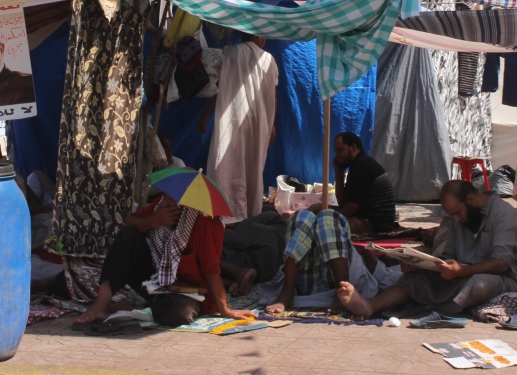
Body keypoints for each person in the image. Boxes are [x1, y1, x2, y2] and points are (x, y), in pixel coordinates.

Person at [337, 180, 517, 319]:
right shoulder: (457, 219)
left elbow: (502, 263)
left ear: (470, 199)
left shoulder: (503, 213)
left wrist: (463, 270)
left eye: (457, 213)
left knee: (479, 284)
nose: (456, 220)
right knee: (414, 278)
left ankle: (436, 305)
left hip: (501, 279)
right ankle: (370, 306)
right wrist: (420, 265)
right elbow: (448, 257)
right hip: (462, 275)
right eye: (452, 215)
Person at [72, 184, 251, 327]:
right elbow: (128, 224)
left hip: (192, 293)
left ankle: (141, 308)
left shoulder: (207, 223)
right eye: (166, 195)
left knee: (176, 314)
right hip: (156, 281)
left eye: (174, 198)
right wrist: (153, 221)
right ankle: (101, 305)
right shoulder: (160, 206)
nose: (167, 201)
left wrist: (225, 310)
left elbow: (211, 270)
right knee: (128, 236)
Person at [260, 209, 402, 314]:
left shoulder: (353, 248)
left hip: (338, 283)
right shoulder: (311, 235)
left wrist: (363, 252)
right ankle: (287, 292)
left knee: (328, 217)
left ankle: (342, 292)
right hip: (304, 282)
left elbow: (385, 280)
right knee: (302, 216)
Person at [200, 33, 278, 223]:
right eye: (264, 36)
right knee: (253, 167)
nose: (265, 40)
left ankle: (225, 215)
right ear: (257, 35)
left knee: (227, 164)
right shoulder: (269, 59)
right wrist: (272, 124)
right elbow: (273, 95)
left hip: (232, 120)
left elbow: (217, 87)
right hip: (259, 123)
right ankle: (249, 215)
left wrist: (205, 115)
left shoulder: (229, 53)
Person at [315, 132, 396, 235]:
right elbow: (343, 203)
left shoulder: (361, 165)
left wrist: (329, 217)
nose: (337, 155)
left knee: (322, 224)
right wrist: (339, 172)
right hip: (363, 217)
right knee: (316, 208)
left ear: (353, 148)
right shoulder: (357, 165)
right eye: (336, 152)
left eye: (340, 150)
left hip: (373, 224)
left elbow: (351, 208)